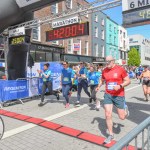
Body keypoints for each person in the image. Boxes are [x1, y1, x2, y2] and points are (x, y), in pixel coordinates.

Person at [96, 56, 131, 144]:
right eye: (106, 62)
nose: (107, 63)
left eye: (108, 62)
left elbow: (128, 81)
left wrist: (120, 86)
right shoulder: (105, 70)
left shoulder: (120, 69)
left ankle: (125, 109)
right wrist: (99, 86)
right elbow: (102, 79)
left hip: (119, 95)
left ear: (113, 61)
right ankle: (111, 134)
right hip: (108, 94)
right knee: (108, 114)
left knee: (122, 117)